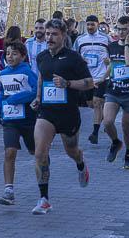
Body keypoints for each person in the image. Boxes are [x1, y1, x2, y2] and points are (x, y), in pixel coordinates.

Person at [31, 19, 95, 214]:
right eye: (48, 34)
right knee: (40, 153)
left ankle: (80, 163)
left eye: (54, 34)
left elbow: (90, 82)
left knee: (72, 151)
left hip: (68, 114)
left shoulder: (74, 58)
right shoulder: (42, 57)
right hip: (47, 112)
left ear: (64, 36)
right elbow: (43, 77)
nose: (49, 37)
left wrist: (68, 84)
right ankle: (44, 199)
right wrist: (38, 97)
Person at [0, 41, 38, 205]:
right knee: (10, 152)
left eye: (14, 53)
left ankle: (43, 170)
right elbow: (3, 93)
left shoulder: (28, 72)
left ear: (23, 56)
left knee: (35, 152)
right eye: (8, 53)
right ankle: (8, 191)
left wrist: (18, 98)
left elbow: (35, 91)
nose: (10, 56)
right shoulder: (3, 74)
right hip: (10, 120)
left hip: (28, 119)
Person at [101, 16, 129, 171]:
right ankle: (115, 142)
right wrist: (102, 78)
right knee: (107, 121)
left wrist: (126, 44)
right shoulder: (111, 46)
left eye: (124, 29)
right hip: (113, 90)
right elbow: (113, 65)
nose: (120, 32)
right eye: (118, 28)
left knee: (126, 126)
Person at [74, 15, 111, 145]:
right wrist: (79, 61)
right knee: (91, 104)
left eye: (92, 24)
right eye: (88, 24)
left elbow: (114, 53)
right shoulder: (80, 40)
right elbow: (75, 55)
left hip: (102, 77)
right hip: (87, 78)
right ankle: (107, 119)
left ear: (97, 25)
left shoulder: (106, 39)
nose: (90, 27)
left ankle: (95, 133)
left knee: (96, 103)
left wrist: (109, 61)